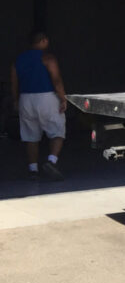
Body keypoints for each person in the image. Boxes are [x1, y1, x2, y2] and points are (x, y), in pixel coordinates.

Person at [10, 31, 67, 180]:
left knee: (31, 136)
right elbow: (56, 80)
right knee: (57, 130)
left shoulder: (18, 60)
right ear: (43, 41)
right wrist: (63, 98)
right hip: (46, 97)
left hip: (25, 99)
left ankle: (33, 170)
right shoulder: (47, 58)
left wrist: (16, 100)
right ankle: (51, 161)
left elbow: (14, 83)